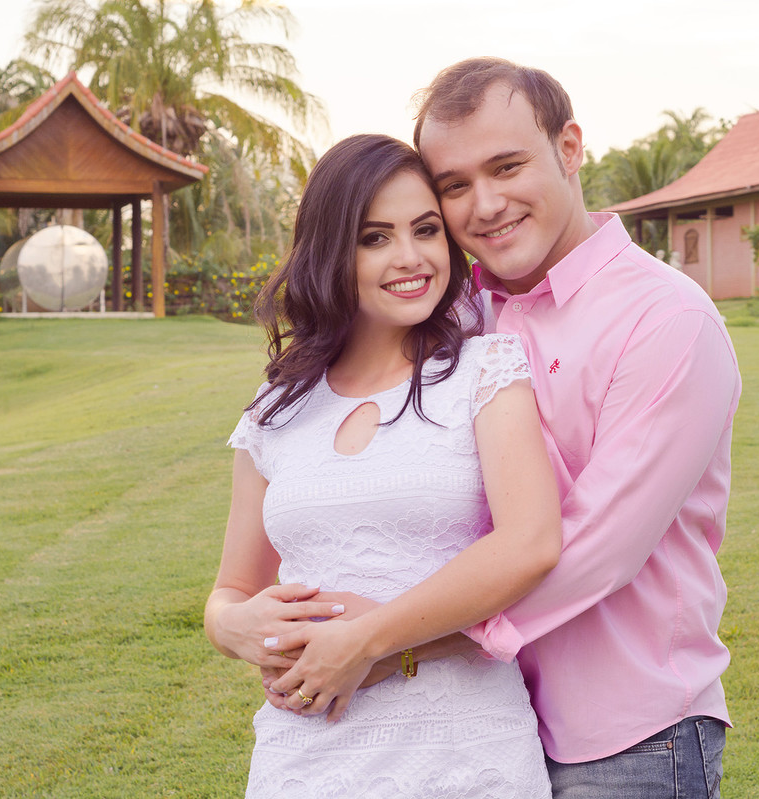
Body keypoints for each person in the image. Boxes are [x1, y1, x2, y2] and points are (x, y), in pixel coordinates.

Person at [266, 59, 743, 799]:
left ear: (571, 148)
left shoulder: (668, 323)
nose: (484, 204)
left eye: (507, 166)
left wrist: (382, 640)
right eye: (453, 185)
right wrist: (240, 616)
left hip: (624, 736)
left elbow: (589, 553)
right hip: (480, 725)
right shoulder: (455, 317)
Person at [204, 133, 560, 798]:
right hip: (304, 757)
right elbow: (232, 587)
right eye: (375, 237)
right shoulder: (275, 407)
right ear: (332, 250)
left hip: (465, 754)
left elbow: (529, 545)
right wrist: (232, 624)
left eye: (425, 230)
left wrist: (367, 640)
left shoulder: (486, 369)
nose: (410, 258)